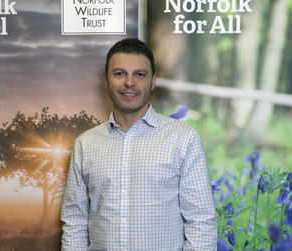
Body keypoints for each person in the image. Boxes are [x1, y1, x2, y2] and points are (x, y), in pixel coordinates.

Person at [61, 38, 217, 251]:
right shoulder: (84, 144)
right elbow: (75, 223)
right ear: (106, 79)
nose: (129, 82)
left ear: (153, 81)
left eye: (139, 74)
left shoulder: (184, 138)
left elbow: (201, 222)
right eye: (119, 73)